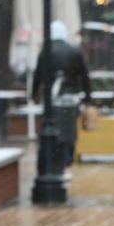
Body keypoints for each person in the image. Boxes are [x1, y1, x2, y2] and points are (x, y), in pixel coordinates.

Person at [32, 20, 93, 168]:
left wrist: (34, 94)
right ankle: (68, 158)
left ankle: (54, 156)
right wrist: (87, 96)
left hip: (51, 99)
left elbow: (38, 75)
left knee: (52, 128)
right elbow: (84, 75)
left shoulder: (45, 51)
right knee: (69, 129)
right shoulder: (74, 51)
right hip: (70, 98)